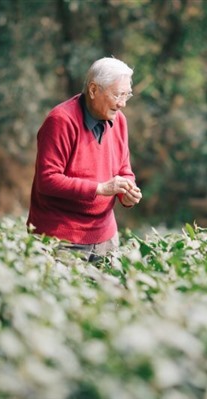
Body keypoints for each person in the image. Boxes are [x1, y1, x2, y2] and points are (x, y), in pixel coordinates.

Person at [27, 57, 142, 261]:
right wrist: (100, 189)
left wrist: (127, 192)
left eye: (127, 95)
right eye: (117, 95)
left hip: (106, 237)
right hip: (61, 240)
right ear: (93, 90)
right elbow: (47, 180)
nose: (123, 103)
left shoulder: (119, 121)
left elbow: (124, 169)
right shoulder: (61, 121)